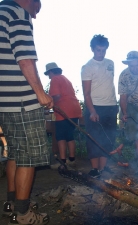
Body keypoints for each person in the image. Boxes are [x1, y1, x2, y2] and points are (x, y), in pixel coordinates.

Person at [0, 0, 52, 224]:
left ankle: (12, 203)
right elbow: (25, 58)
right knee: (29, 156)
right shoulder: (18, 13)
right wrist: (41, 93)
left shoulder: (2, 12)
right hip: (22, 99)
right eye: (36, 9)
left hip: (5, 101)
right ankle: (23, 215)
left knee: (15, 152)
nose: (35, 16)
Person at [81, 34, 117, 178]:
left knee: (108, 139)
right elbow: (87, 93)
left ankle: (103, 168)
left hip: (111, 106)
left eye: (103, 50)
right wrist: (92, 111)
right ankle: (95, 169)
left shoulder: (111, 63)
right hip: (95, 107)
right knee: (94, 139)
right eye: (98, 50)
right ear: (92, 49)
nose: (101, 53)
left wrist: (116, 105)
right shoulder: (87, 67)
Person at [45, 62, 82, 169]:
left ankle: (63, 162)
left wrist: (48, 104)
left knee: (61, 136)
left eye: (48, 74)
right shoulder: (66, 79)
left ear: (51, 72)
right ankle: (72, 159)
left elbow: (56, 96)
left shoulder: (55, 79)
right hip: (74, 110)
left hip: (64, 111)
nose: (49, 76)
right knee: (69, 135)